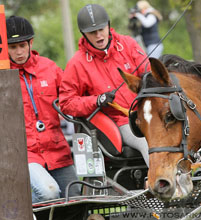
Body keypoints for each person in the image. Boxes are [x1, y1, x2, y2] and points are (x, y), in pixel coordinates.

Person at [58, 4, 150, 166]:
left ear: (108, 25)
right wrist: (96, 100)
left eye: (101, 29)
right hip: (122, 122)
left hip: (147, 114)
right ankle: (164, 188)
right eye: (92, 32)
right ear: (83, 34)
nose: (99, 35)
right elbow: (66, 103)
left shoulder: (128, 44)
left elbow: (149, 74)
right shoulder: (77, 63)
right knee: (149, 143)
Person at [6, 15, 80, 203]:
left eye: (22, 45)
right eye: (13, 47)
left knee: (76, 199)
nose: (19, 52)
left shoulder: (50, 68)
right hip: (25, 153)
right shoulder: (3, 76)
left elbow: (71, 98)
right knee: (49, 192)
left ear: (31, 43)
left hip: (57, 151)